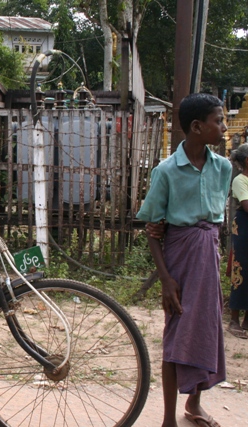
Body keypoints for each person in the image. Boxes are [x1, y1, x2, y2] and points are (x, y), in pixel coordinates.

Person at [137, 93, 230, 427]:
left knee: (206, 329)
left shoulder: (223, 167)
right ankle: (167, 419)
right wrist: (165, 279)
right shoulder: (166, 171)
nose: (223, 126)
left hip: (209, 257)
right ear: (196, 127)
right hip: (180, 259)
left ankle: (194, 404)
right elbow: (153, 230)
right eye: (218, 121)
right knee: (176, 334)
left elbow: (218, 219)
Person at [227, 143, 248, 339]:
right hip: (244, 227)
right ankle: (234, 319)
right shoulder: (240, 180)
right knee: (240, 269)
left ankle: (247, 321)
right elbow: (246, 205)